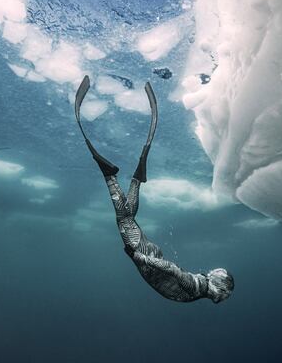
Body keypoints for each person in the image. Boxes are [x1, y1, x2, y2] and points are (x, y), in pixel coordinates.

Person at [75, 76, 234, 303]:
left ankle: (135, 178)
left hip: (149, 260)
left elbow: (173, 272)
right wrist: (139, 257)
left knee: (128, 218)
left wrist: (141, 259)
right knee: (124, 220)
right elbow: (172, 270)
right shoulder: (197, 288)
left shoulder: (198, 288)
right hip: (149, 259)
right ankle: (110, 176)